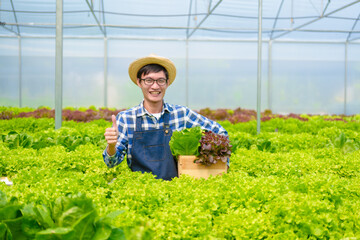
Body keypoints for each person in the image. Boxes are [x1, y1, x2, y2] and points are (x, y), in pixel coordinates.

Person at [103, 54, 228, 180]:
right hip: (142, 192)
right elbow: (111, 163)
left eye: (160, 80)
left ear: (167, 83)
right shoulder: (126, 118)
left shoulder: (182, 114)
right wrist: (112, 146)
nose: (155, 86)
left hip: (177, 192)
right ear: (139, 82)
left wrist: (211, 162)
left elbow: (221, 133)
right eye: (149, 80)